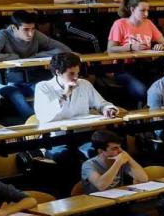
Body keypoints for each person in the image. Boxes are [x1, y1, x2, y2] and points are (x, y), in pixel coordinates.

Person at [35, 52, 119, 183]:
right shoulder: (43, 87)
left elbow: (102, 103)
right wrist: (65, 94)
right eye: (71, 74)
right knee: (68, 160)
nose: (76, 77)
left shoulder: (84, 84)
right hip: (56, 140)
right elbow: (43, 116)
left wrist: (108, 109)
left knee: (96, 153)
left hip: (82, 136)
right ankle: (77, 191)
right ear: (58, 72)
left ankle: (101, 187)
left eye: (77, 73)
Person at [0, 10, 70, 120]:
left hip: (30, 80)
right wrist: (15, 57)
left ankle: (53, 119)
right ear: (14, 28)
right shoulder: (3, 34)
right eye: (26, 29)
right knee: (17, 95)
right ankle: (36, 122)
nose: (31, 33)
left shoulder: (36, 34)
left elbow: (64, 49)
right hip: (6, 82)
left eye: (33, 29)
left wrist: (36, 56)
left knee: (45, 92)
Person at [107, 0, 164, 106]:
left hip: (146, 67)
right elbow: (110, 49)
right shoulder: (120, 24)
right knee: (143, 92)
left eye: (147, 10)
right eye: (142, 11)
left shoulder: (149, 23)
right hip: (124, 69)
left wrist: (162, 46)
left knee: (163, 88)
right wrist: (131, 47)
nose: (146, 14)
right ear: (132, 9)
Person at [53, 0, 118, 52]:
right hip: (71, 22)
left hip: (91, 20)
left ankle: (109, 57)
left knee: (110, 31)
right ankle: (99, 59)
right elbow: (57, 0)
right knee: (94, 37)